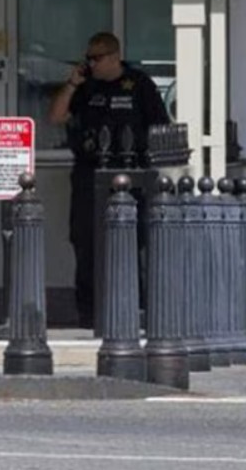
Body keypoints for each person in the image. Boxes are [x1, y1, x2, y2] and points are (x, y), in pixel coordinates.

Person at [47, 31, 170, 329]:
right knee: (86, 241)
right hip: (90, 173)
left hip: (131, 174)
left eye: (97, 58)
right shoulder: (86, 87)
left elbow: (160, 128)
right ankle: (88, 312)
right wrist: (73, 83)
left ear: (114, 56)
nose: (91, 63)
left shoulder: (139, 85)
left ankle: (134, 308)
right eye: (88, 58)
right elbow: (56, 116)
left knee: (132, 241)